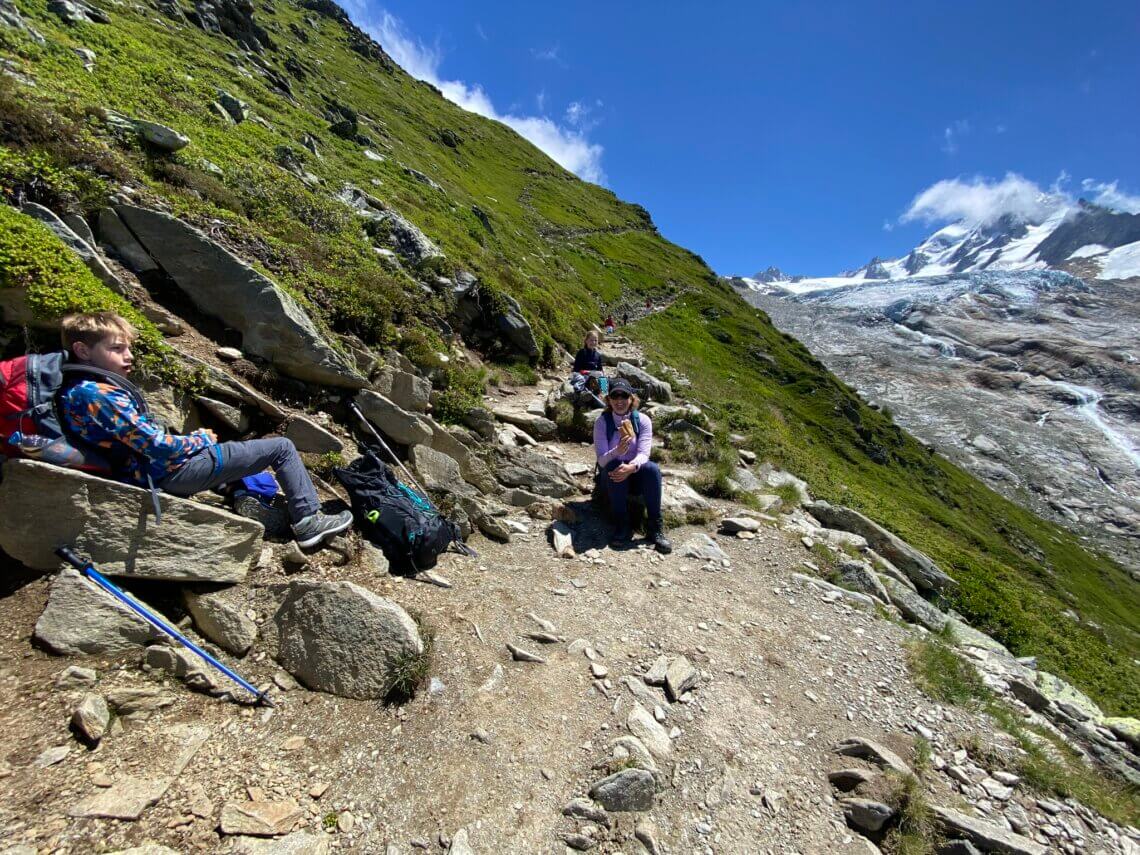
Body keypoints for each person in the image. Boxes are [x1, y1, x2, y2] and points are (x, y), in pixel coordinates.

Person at [57, 312, 353, 548]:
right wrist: (198, 439)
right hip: (169, 473)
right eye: (117, 348)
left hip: (149, 472)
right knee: (282, 447)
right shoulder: (98, 395)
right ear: (82, 350)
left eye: (128, 347)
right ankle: (308, 522)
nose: (129, 355)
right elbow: (158, 448)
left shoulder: (78, 390)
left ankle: (243, 496)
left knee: (237, 452)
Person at [593, 378, 671, 553]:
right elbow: (602, 461)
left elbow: (644, 453)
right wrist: (617, 451)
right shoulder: (602, 423)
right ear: (609, 400)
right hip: (612, 477)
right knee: (614, 464)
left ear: (631, 399)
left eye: (624, 396)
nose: (619, 401)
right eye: (615, 396)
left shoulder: (642, 420)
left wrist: (632, 467)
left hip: (634, 472)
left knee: (652, 469)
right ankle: (622, 525)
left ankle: (655, 527)